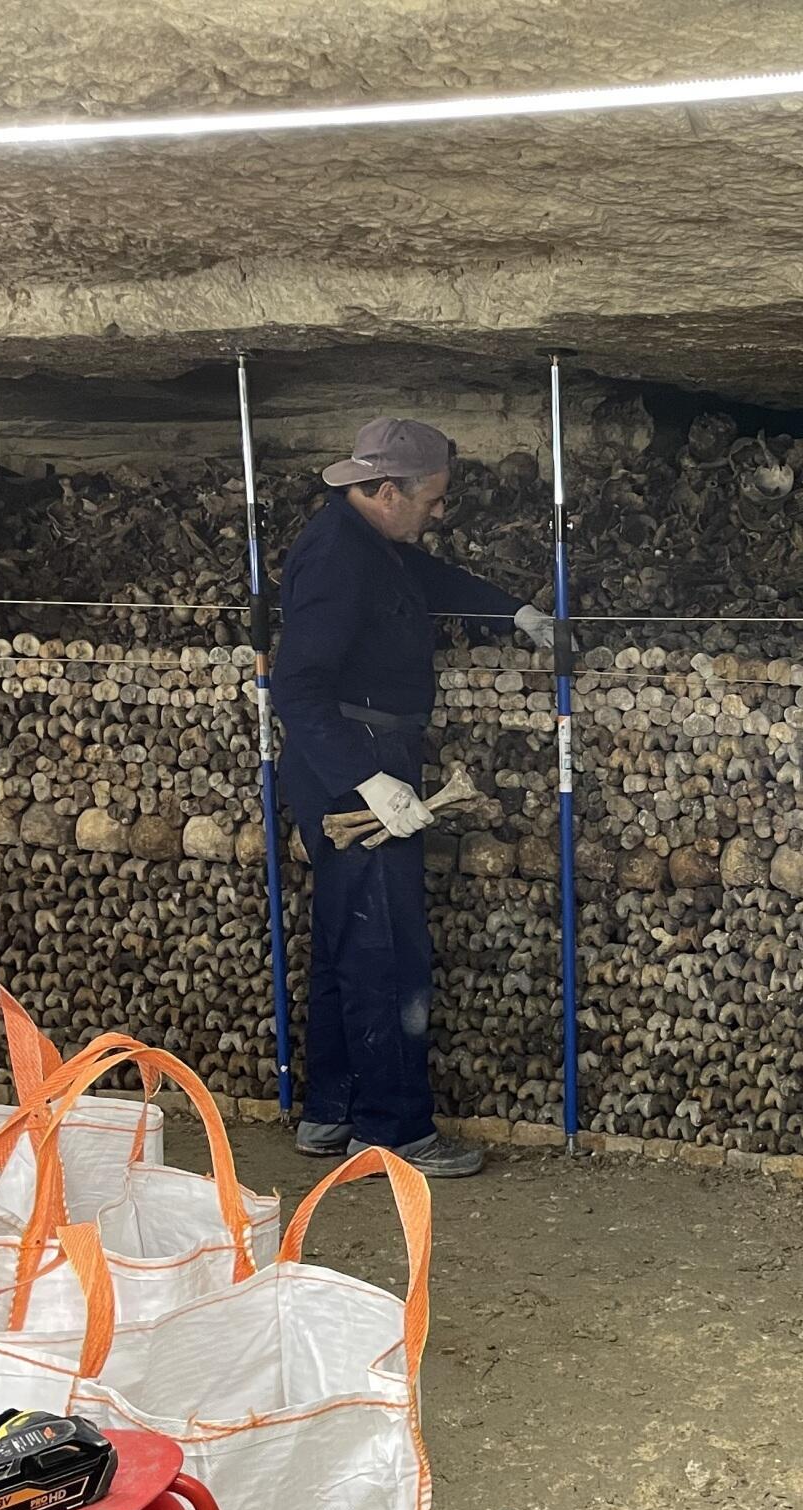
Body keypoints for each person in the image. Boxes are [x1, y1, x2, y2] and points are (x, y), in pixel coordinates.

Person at [273, 416, 552, 1178]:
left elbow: (428, 582)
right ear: (387, 490)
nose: (439, 512)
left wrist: (517, 612)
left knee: (343, 939)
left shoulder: (367, 544)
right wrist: (365, 778)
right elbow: (294, 688)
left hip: (359, 755)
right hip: (354, 761)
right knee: (387, 950)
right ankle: (393, 1132)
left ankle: (330, 1111)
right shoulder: (337, 559)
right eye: (431, 499)